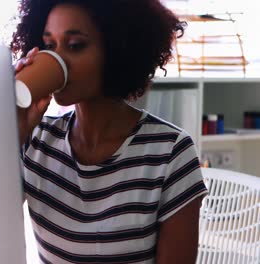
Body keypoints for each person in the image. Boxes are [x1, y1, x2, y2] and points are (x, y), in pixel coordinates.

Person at [11, 1, 208, 263]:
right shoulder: (36, 139)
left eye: (75, 46)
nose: (56, 59)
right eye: (49, 46)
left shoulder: (171, 151)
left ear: (117, 50)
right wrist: (14, 136)